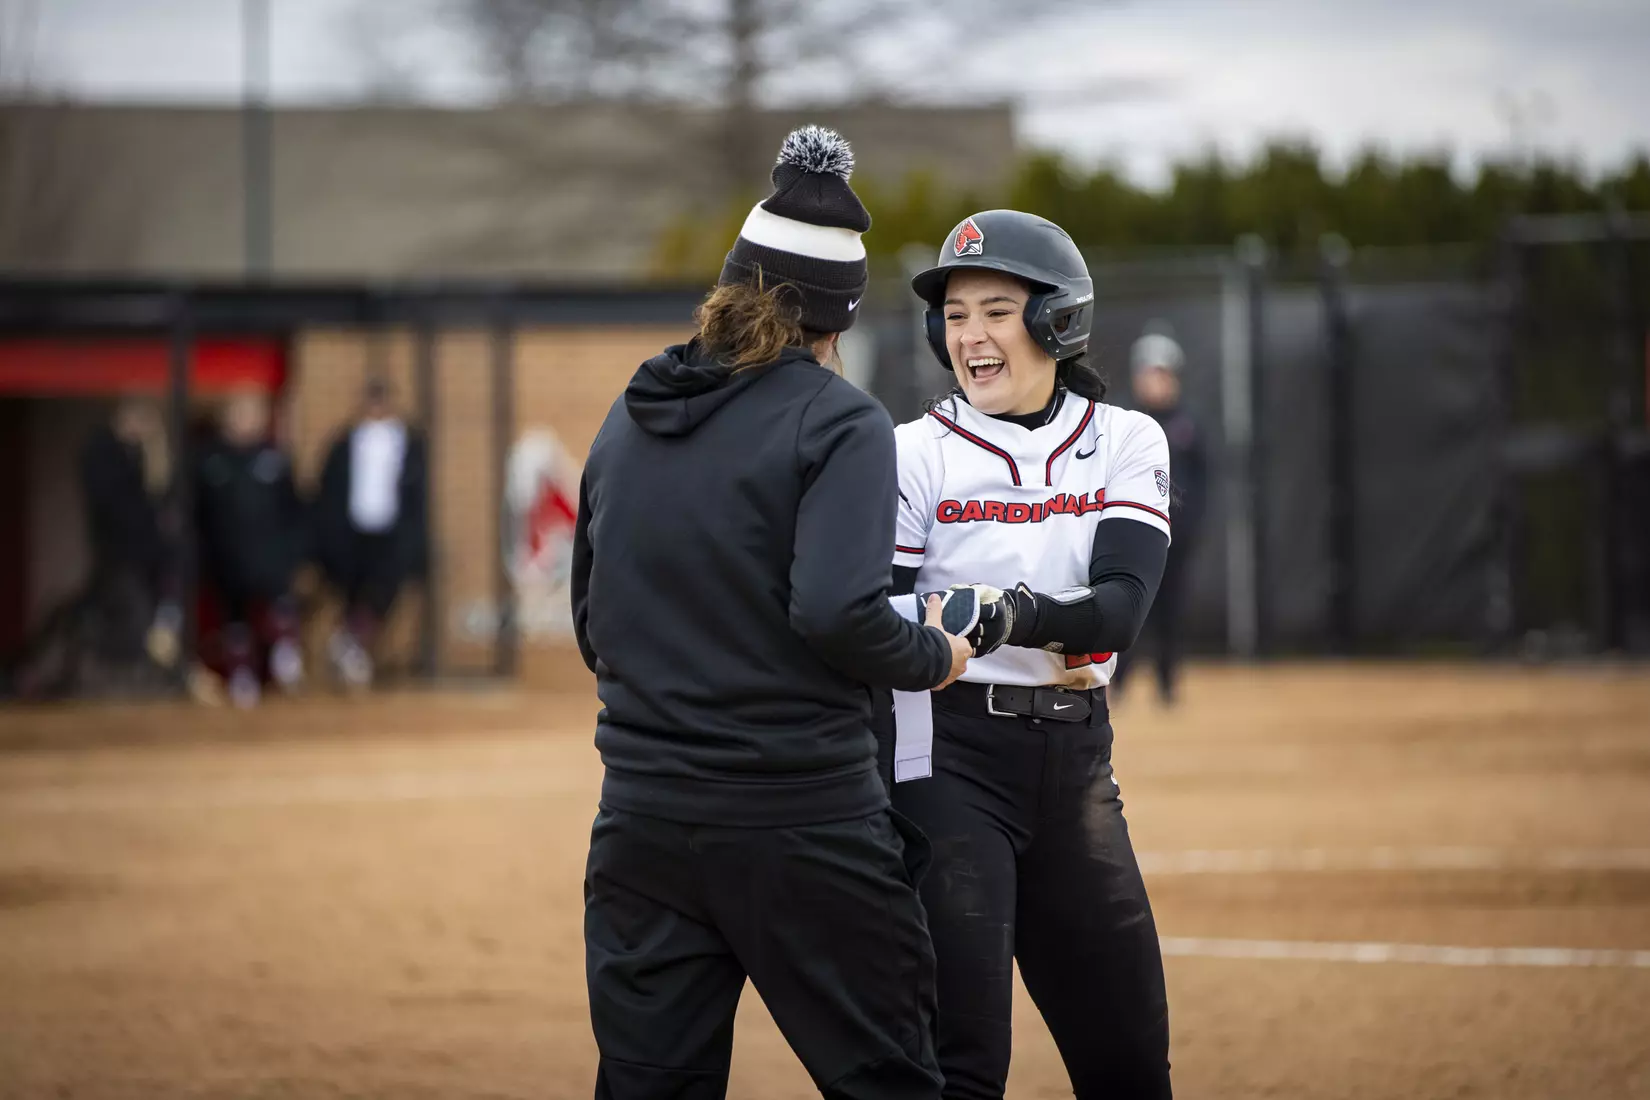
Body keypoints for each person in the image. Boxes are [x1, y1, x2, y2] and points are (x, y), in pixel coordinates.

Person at [571, 125, 974, 1100]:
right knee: (891, 1079)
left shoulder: (629, 415)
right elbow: (837, 611)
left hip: (642, 822)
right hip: (802, 822)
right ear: (835, 316)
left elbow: (592, 618)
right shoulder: (839, 420)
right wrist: (936, 653)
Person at [882, 210, 1175, 1099]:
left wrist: (1007, 615)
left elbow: (1119, 609)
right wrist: (944, 617)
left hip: (1078, 763)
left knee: (1128, 1061)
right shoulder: (910, 455)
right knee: (965, 1070)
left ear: (1057, 319)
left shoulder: (1125, 439)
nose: (969, 334)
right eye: (956, 313)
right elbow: (869, 618)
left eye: (996, 309)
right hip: (948, 764)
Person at [194, 387, 309, 708]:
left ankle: (286, 660)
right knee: (236, 624)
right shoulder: (209, 460)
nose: (246, 420)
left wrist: (293, 552)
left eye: (252, 412)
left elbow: (294, 509)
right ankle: (241, 676)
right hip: (227, 558)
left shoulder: (274, 459)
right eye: (239, 412)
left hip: (270, 558)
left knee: (281, 610)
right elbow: (198, 514)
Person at [313, 377, 430, 690]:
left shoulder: (410, 443)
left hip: (392, 534)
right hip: (352, 533)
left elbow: (418, 496)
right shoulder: (344, 443)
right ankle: (350, 649)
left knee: (383, 592)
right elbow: (328, 490)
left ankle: (350, 642)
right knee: (352, 592)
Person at [1111, 326, 1207, 706]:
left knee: (1171, 612)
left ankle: (1168, 685)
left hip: (1176, 542)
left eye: (1163, 374)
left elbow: (1204, 480)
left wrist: (1191, 526)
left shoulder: (1189, 426)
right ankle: (1117, 684)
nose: (1156, 382)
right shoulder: (1122, 424)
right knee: (1128, 608)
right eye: (1149, 373)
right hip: (1131, 541)